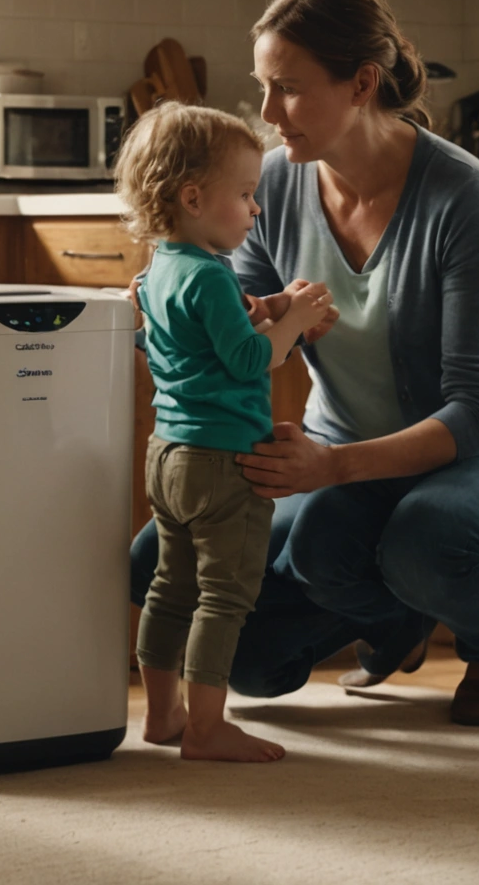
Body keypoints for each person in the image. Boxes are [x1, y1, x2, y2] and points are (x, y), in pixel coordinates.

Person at [128, 0, 479, 726]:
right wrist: (176, 297)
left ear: (361, 84)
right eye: (262, 87)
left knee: (410, 544)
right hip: (342, 454)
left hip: (477, 462)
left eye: (287, 89)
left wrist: (331, 468)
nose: (265, 114)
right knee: (208, 619)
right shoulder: (273, 186)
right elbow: (242, 332)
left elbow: (477, 410)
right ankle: (397, 620)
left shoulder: (458, 192)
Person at [116, 103, 334, 762]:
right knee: (224, 596)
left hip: (169, 456)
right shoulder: (212, 274)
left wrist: (268, 309)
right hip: (223, 463)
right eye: (244, 195)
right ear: (194, 197)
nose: (255, 209)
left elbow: (200, 341)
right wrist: (291, 321)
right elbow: (245, 358)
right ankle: (208, 728)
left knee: (170, 588)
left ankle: (162, 715)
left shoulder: (157, 270)